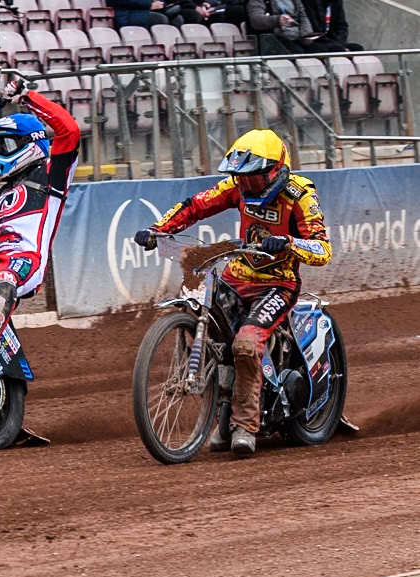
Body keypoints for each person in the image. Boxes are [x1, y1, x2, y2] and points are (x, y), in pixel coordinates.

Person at [133, 129, 332, 455]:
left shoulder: (300, 195)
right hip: (237, 275)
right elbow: (195, 206)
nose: (247, 185)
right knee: (204, 323)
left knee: (245, 343)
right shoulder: (236, 187)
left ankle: (245, 425)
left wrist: (289, 243)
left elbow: (323, 249)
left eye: (254, 178)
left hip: (278, 283)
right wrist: (159, 230)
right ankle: (220, 410)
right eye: (242, 177)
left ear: (275, 170)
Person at [0, 81, 80, 380]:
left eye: (6, 146)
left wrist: (28, 98)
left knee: (6, 273)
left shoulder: (51, 176)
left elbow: (70, 131)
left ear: (30, 143)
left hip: (25, 262)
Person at [247, 0, 347, 54]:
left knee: (325, 50)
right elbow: (256, 20)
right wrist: (277, 20)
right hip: (276, 38)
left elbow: (303, 16)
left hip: (298, 36)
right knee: (297, 52)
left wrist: (306, 36)